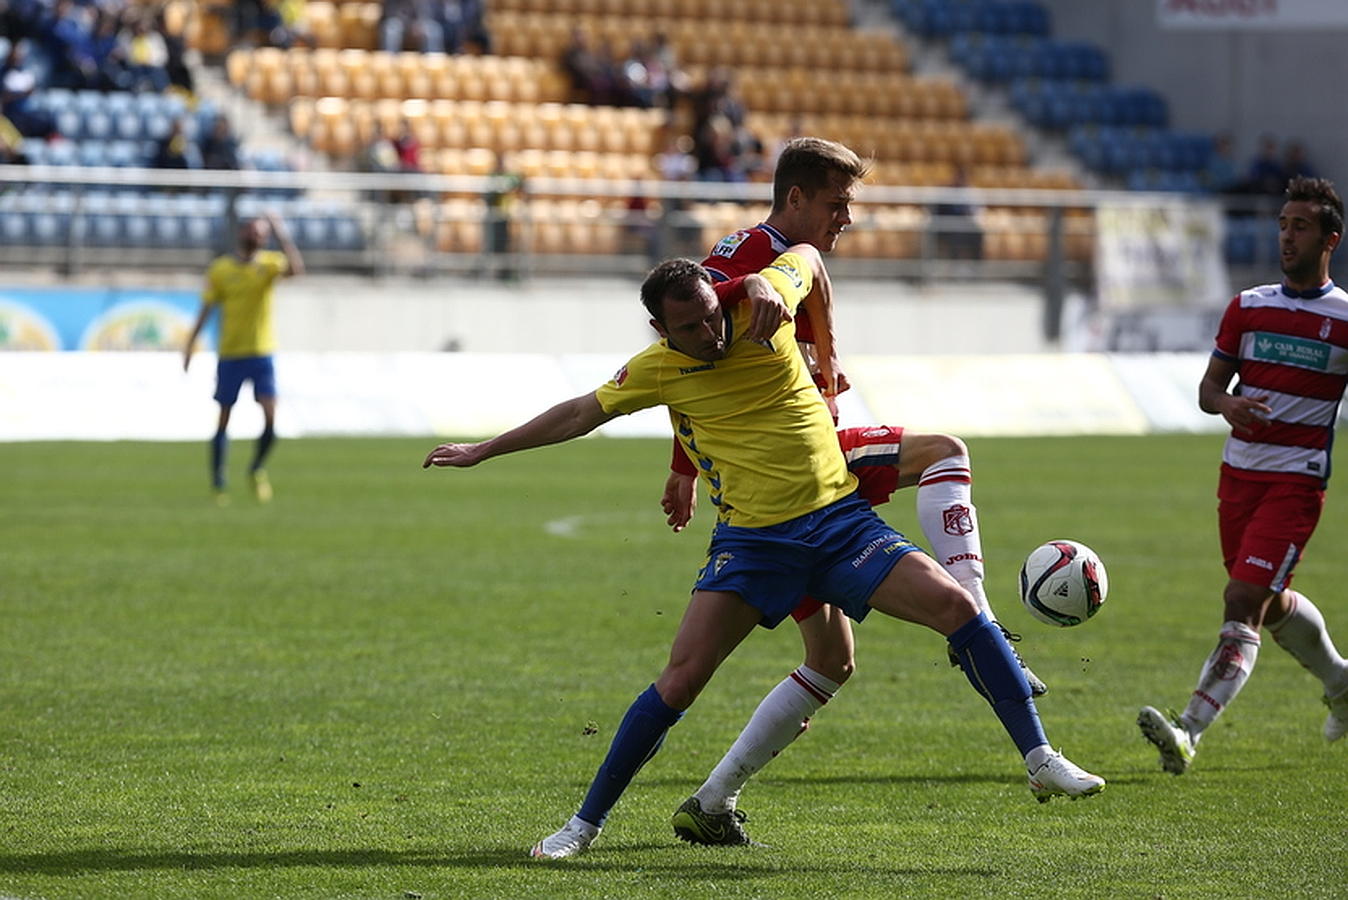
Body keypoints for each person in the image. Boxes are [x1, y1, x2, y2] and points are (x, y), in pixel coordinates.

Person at [424, 247, 1105, 861]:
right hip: (753, 545)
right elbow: (579, 413)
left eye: (712, 314)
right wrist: (484, 449)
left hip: (841, 524)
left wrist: (756, 281)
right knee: (681, 680)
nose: (709, 332)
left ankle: (1039, 755)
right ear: (664, 332)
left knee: (957, 606)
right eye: (688, 327)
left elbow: (807, 254)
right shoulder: (658, 369)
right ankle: (583, 825)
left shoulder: (759, 304)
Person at [664, 137, 1043, 846]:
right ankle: (984, 625)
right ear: (797, 198)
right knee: (944, 452)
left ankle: (712, 800)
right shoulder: (747, 252)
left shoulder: (786, 257)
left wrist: (819, 369)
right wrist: (686, 468)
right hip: (792, 468)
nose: (846, 220)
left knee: (832, 660)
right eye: (837, 205)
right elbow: (686, 357)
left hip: (785, 475)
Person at [1138, 176, 1348, 774]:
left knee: (1242, 598)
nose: (1286, 236)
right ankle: (1342, 683)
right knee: (1269, 602)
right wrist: (1227, 405)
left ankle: (1189, 731)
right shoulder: (1249, 306)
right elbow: (1209, 390)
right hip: (1239, 478)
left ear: (1330, 239)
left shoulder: (1344, 319)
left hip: (1296, 483)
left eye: (1300, 226)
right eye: (1282, 224)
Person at [183, 213, 305, 505]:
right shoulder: (221, 269)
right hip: (230, 354)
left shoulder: (269, 264)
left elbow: (297, 271)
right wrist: (189, 344)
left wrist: (282, 233)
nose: (257, 237)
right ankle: (219, 482)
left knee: (271, 418)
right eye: (253, 231)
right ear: (241, 233)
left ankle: (256, 468)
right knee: (224, 419)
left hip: (262, 352)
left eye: (262, 233)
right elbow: (206, 309)